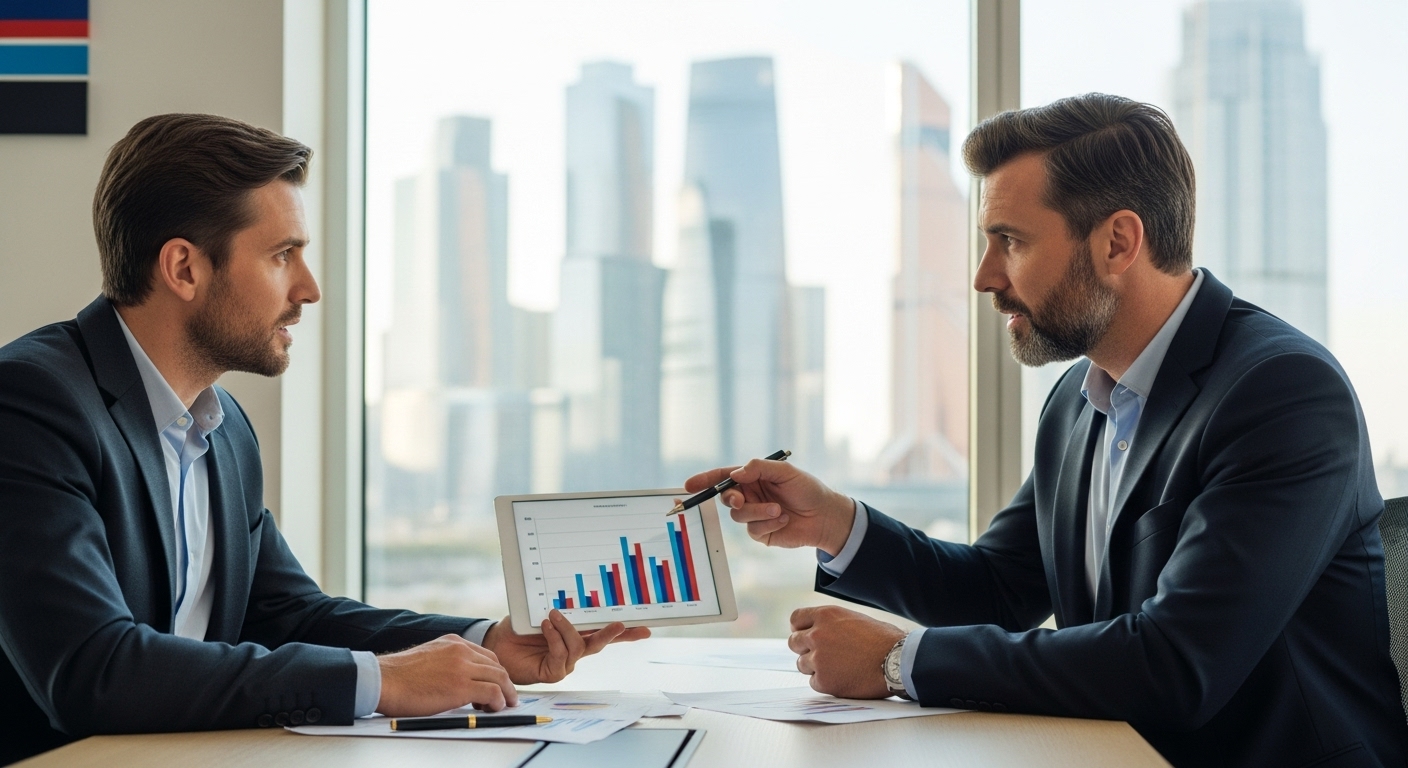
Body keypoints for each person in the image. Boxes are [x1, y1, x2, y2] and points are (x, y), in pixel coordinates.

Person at [688, 94, 1406, 767]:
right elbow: (1000, 590)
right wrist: (835, 524)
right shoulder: (1077, 398)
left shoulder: (1281, 393)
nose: (982, 276)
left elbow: (1178, 663)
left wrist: (897, 662)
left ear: (1118, 242)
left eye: (1010, 241)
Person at [0, 113, 648, 765]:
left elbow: (290, 615)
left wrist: (487, 644)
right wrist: (383, 681)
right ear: (184, 268)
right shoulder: (32, 403)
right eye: (283, 255)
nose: (308, 289)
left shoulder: (220, 428)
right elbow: (92, 672)